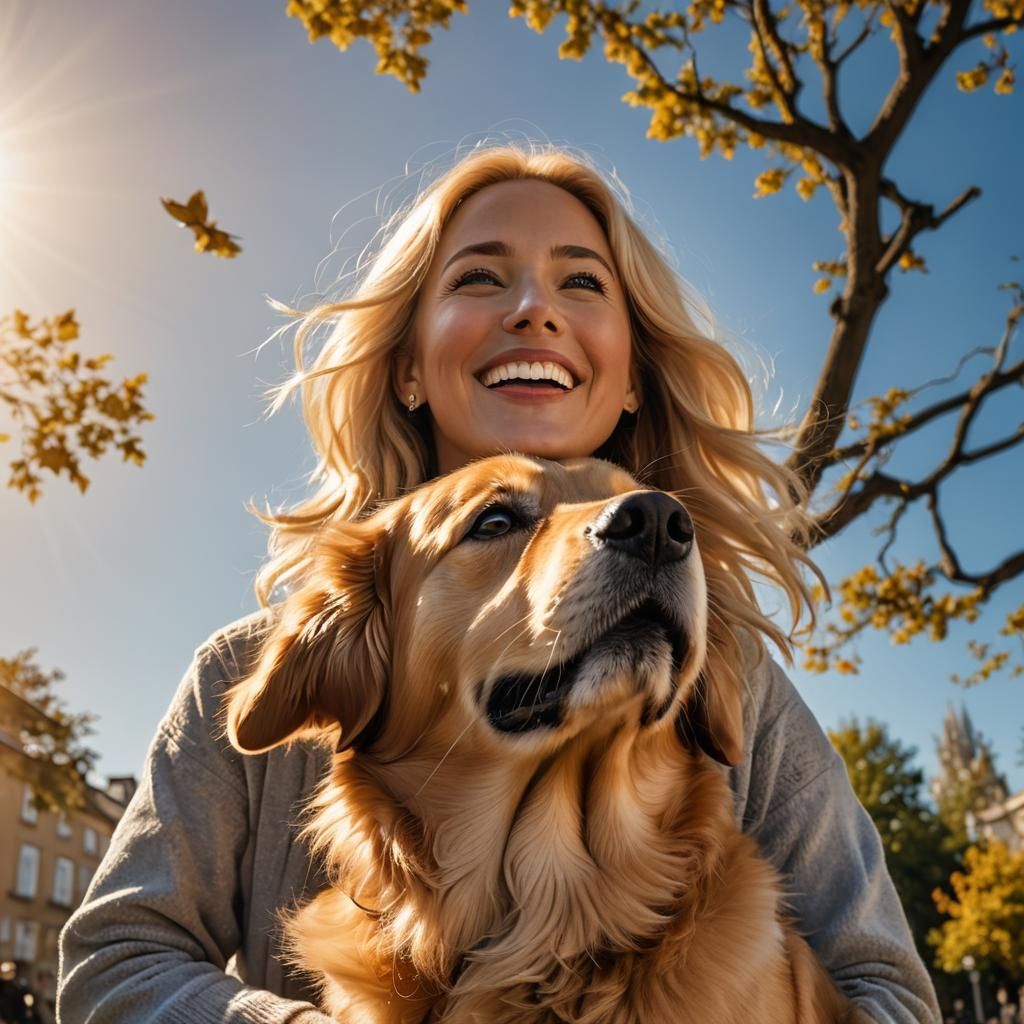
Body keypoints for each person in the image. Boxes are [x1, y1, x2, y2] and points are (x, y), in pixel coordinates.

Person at [56, 144, 941, 1023]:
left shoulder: (731, 675)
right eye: (481, 278)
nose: (535, 310)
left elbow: (890, 990)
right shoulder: (247, 668)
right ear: (407, 364)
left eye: (583, 283)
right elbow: (119, 959)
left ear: (630, 376)